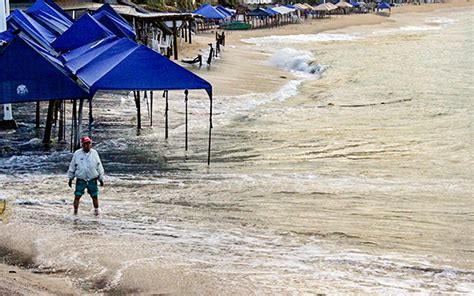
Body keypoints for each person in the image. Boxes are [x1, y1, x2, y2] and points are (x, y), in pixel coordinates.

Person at [67, 136, 105, 215]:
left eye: (89, 143)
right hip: (81, 179)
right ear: (82, 145)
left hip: (92, 178)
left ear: (91, 144)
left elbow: (99, 166)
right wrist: (70, 178)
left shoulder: (94, 153)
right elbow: (72, 166)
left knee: (94, 196)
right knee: (77, 196)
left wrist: (101, 178)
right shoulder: (77, 153)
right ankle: (75, 212)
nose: (87, 145)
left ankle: (96, 212)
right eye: (85, 144)